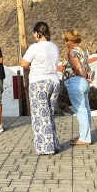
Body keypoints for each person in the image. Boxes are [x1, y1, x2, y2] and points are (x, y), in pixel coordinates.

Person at [20, 22, 61, 157]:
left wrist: (32, 67)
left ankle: (46, 147)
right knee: (49, 114)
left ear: (37, 34)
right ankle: (54, 143)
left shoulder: (34, 47)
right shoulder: (54, 47)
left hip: (39, 83)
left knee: (40, 116)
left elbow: (24, 63)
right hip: (54, 82)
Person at [62, 30, 92, 146]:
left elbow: (78, 67)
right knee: (86, 109)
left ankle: (85, 138)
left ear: (69, 40)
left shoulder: (72, 52)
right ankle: (84, 135)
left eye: (65, 40)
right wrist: (87, 77)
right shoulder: (81, 51)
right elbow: (86, 67)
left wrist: (83, 75)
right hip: (83, 83)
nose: (65, 43)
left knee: (80, 110)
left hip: (75, 82)